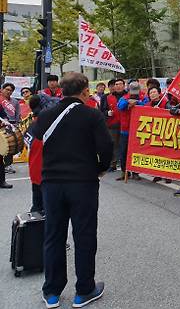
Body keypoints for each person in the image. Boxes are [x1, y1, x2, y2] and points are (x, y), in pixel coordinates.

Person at [29, 72, 111, 309]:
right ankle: (84, 290)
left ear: (62, 90)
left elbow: (33, 142)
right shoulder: (92, 115)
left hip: (52, 183)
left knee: (53, 235)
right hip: (83, 182)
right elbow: (105, 146)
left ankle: (52, 292)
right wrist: (100, 168)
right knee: (84, 235)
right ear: (84, 90)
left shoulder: (44, 115)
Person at [116, 81, 148, 181]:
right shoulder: (124, 98)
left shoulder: (143, 97)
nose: (134, 93)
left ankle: (135, 172)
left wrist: (137, 103)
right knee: (123, 152)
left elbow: (148, 107)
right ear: (129, 90)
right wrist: (128, 102)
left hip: (138, 130)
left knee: (136, 152)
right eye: (132, 91)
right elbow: (120, 106)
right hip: (125, 130)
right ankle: (124, 171)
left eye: (136, 91)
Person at [24, 95, 44, 211]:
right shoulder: (46, 127)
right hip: (47, 173)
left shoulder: (31, 127)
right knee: (47, 209)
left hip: (34, 171)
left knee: (36, 206)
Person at [105, 79, 125, 172]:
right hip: (113, 124)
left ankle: (124, 165)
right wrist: (107, 112)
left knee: (125, 145)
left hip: (126, 125)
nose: (118, 86)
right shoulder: (108, 97)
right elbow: (102, 110)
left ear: (124, 85)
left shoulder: (128, 96)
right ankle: (113, 163)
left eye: (120, 84)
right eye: (116, 84)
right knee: (113, 144)